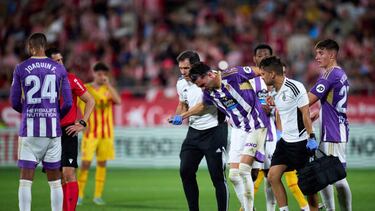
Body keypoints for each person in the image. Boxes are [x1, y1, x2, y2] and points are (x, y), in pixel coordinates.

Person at [184, 62, 269, 211]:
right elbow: (203, 105)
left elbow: (261, 72)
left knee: (244, 171)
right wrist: (183, 115)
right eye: (199, 87)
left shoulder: (234, 74)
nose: (202, 89)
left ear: (210, 74)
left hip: (257, 124)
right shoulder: (208, 93)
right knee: (234, 176)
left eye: (202, 84)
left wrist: (265, 96)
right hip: (238, 130)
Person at [10, 33, 72, 211]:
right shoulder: (59, 69)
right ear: (44, 46)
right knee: (55, 182)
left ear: (31, 47)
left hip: (30, 131)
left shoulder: (21, 67)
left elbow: (14, 102)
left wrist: (30, 112)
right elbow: (67, 102)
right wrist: (53, 115)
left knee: (25, 181)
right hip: (52, 131)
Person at [251, 44, 310, 211]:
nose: (261, 77)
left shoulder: (295, 86)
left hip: (300, 142)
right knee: (272, 176)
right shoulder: (273, 90)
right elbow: (279, 109)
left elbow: (305, 114)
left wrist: (311, 137)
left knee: (307, 183)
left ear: (272, 73)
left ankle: (311, 208)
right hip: (284, 142)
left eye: (263, 74)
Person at [168, 50, 229, 211]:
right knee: (185, 171)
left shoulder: (211, 77)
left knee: (217, 177)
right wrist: (177, 115)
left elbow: (203, 106)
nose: (183, 72)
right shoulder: (181, 83)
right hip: (194, 132)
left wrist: (183, 116)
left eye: (186, 68)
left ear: (196, 65)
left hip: (215, 131)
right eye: (180, 68)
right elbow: (182, 103)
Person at [45, 48, 95, 211]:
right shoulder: (42, 82)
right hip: (49, 132)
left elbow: (90, 100)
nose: (60, 63)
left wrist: (82, 122)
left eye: (61, 60)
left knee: (68, 173)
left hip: (68, 131)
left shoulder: (71, 79)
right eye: (55, 61)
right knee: (56, 178)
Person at [308, 39, 352, 211]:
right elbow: (332, 100)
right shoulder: (340, 73)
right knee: (322, 173)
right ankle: (330, 208)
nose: (317, 57)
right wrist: (320, 110)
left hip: (334, 131)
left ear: (332, 54)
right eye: (316, 53)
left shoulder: (330, 74)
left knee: (338, 178)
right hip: (332, 128)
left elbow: (308, 100)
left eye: (321, 53)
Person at [77, 62, 121, 205]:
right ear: (94, 73)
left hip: (106, 134)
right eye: (99, 73)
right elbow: (75, 105)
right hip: (90, 133)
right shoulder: (85, 88)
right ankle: (79, 194)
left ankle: (97, 195)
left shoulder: (107, 89)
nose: (102, 76)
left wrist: (108, 85)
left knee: (102, 163)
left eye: (104, 74)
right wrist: (81, 123)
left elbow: (118, 101)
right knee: (85, 163)